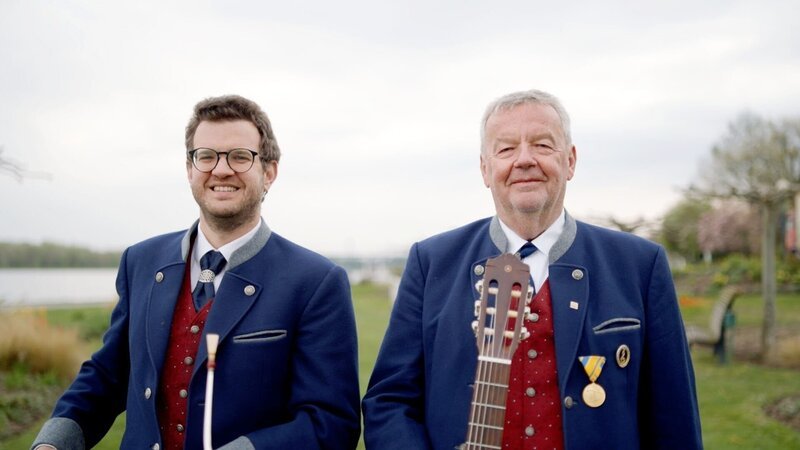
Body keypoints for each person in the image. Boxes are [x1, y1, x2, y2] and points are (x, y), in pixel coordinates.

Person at [362, 89, 702, 449]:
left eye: (542, 145)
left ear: (570, 161)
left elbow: (674, 420)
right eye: (506, 149)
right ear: (485, 169)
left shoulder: (640, 266)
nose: (524, 160)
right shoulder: (430, 262)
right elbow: (388, 403)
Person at [32, 95, 360, 450]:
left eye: (240, 156)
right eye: (206, 156)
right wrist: (53, 442)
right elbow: (108, 376)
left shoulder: (315, 281)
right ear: (190, 169)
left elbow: (331, 421)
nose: (221, 169)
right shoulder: (140, 262)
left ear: (269, 172)